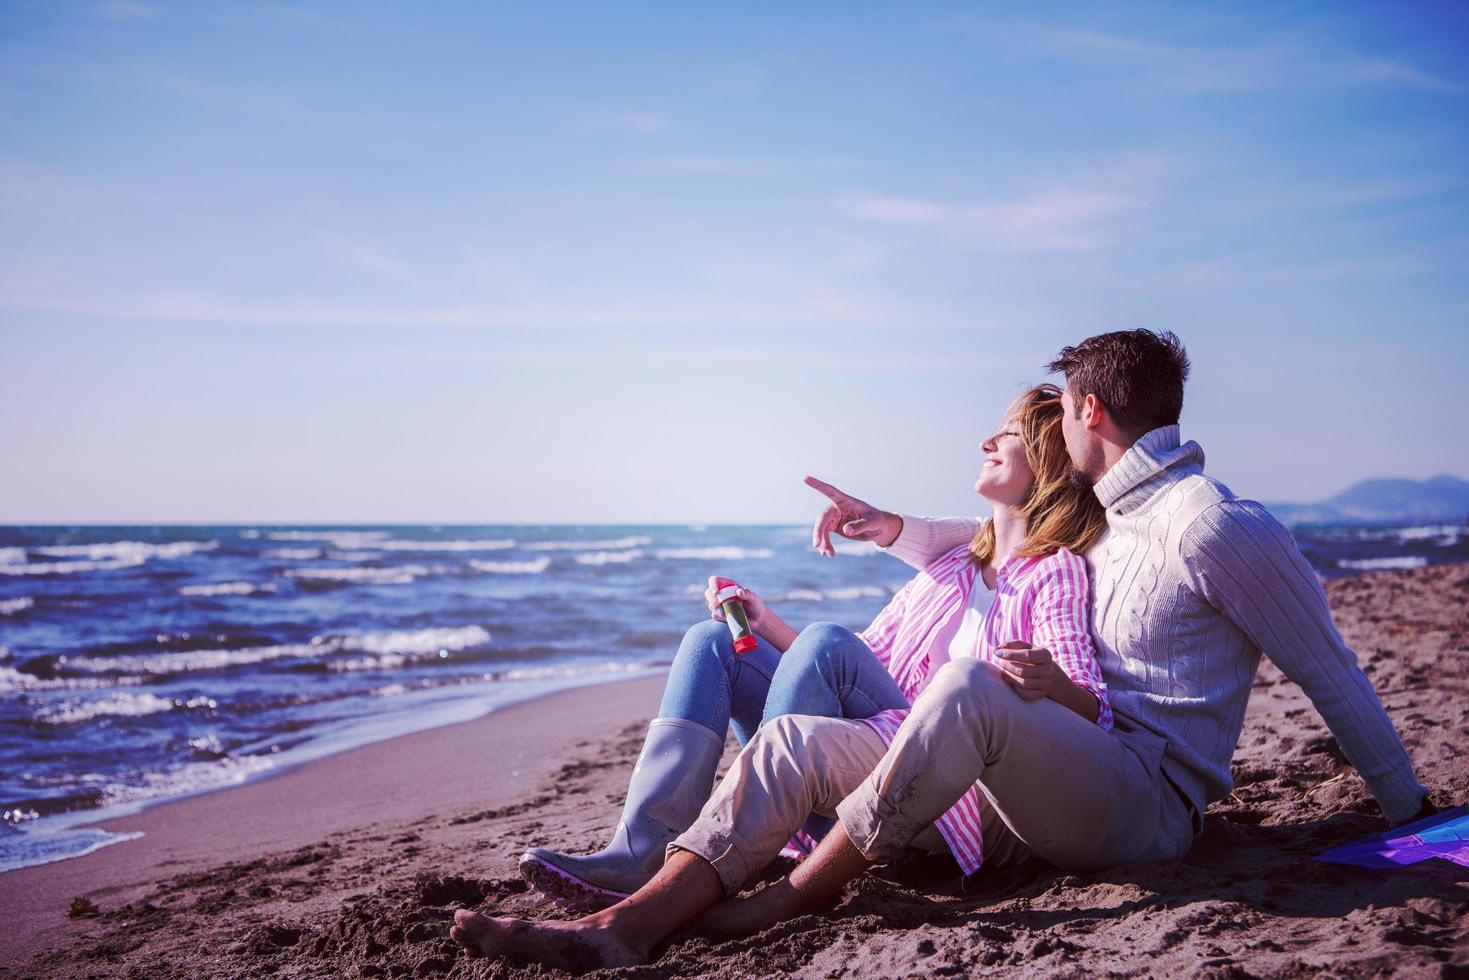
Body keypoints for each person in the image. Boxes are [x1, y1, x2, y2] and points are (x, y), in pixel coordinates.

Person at [449, 329, 1434, 971]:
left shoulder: (1212, 524)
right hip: (1040, 769)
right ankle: (628, 922)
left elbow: (1329, 674)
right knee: (791, 738)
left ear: (1086, 413)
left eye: (1052, 407)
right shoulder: (1104, 523)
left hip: (1145, 798)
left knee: (958, 679)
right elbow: (977, 546)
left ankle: (789, 888)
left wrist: (1422, 821)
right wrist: (884, 522)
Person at [517, 383, 1110, 911]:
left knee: (829, 639)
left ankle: (763, 836)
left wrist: (1045, 682)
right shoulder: (955, 564)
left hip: (920, 778)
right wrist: (764, 620)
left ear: (1048, 464)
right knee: (711, 641)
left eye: (1006, 434)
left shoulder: (1052, 573)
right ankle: (641, 851)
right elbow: (853, 666)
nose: (985, 441)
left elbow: (1092, 707)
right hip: (852, 742)